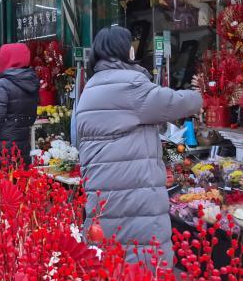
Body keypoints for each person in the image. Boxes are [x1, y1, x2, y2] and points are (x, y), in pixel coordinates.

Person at [76, 26, 203, 264]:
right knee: (141, 260)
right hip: (132, 187)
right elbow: (173, 103)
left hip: (102, 186)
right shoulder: (130, 84)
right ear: (125, 50)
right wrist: (204, 93)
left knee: (109, 257)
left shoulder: (91, 86)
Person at [0, 43, 39, 165]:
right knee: (20, 181)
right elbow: (31, 117)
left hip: (1, 147)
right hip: (22, 144)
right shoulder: (32, 82)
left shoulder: (3, 84)